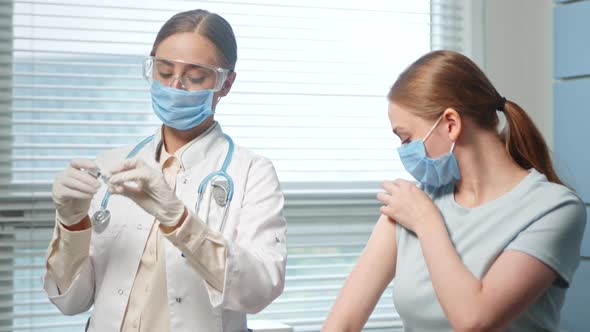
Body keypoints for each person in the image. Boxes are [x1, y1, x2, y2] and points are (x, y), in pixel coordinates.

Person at [44, 9, 287, 332]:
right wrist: (72, 224)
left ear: (225, 83)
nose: (176, 86)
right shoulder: (109, 165)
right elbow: (70, 301)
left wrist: (178, 219)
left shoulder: (252, 173)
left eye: (195, 76)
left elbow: (259, 290)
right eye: (164, 70)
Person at [322, 50, 586, 331]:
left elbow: (474, 320)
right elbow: (342, 325)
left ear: (451, 123)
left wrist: (427, 222)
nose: (404, 152)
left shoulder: (554, 209)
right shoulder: (411, 206)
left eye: (407, 138)